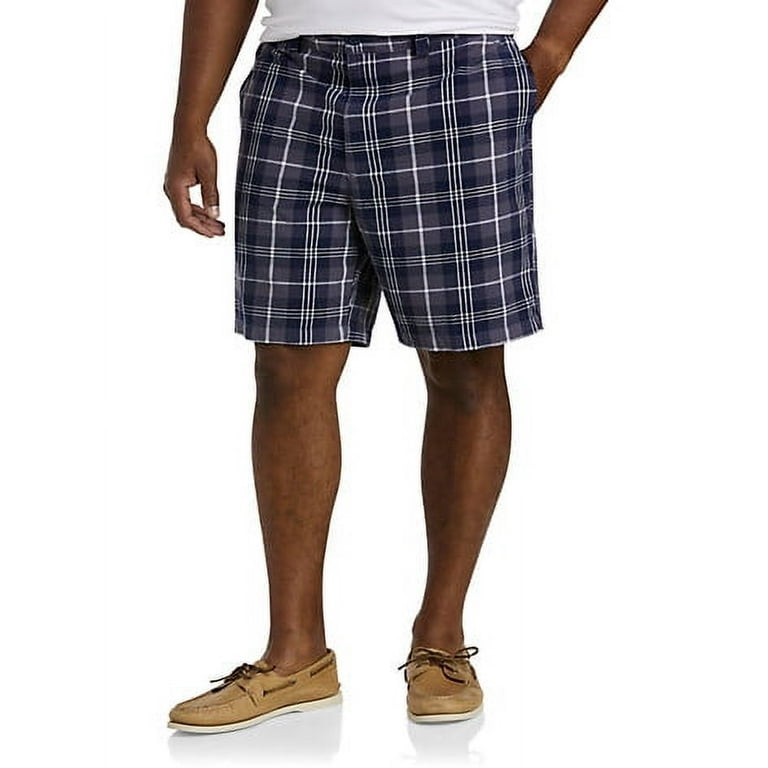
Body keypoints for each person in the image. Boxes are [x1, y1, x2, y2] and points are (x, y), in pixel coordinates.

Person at [163, 0, 607, 733]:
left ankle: (441, 639)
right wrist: (191, 117)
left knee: (463, 362)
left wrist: (551, 52)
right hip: (293, 76)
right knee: (285, 363)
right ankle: (295, 654)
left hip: (456, 70)